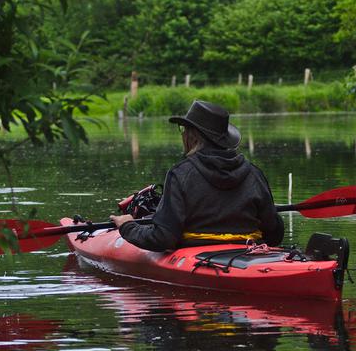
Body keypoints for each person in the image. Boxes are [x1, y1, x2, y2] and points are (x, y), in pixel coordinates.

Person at [109, 100, 284, 251]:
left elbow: (163, 238)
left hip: (195, 254)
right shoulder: (254, 173)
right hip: (248, 251)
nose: (182, 134)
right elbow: (274, 234)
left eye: (184, 129)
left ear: (192, 136)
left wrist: (127, 226)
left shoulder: (180, 174)